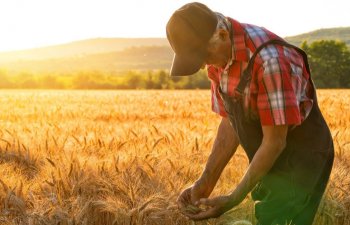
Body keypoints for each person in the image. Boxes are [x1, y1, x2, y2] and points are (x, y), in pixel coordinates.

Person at [166, 2, 334, 225]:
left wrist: (233, 199)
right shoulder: (218, 55)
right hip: (266, 156)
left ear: (223, 35)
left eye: (203, 56)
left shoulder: (271, 61)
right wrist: (205, 182)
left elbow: (275, 142)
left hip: (301, 156)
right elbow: (230, 123)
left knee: (274, 220)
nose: (202, 66)